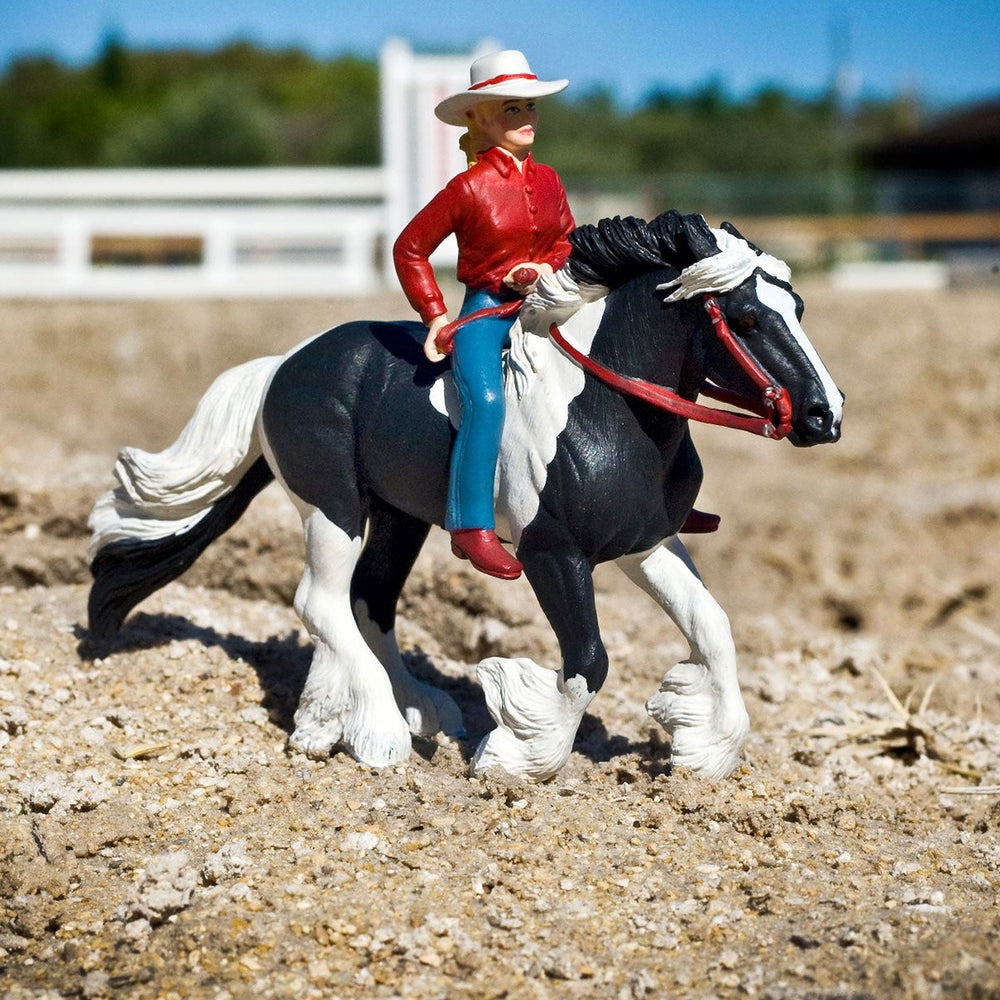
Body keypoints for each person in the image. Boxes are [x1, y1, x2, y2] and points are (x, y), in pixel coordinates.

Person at [393, 50, 574, 580]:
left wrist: (542, 269)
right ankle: (471, 524)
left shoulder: (549, 180)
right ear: (480, 118)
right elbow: (410, 249)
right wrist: (433, 313)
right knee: (487, 401)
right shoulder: (467, 190)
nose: (526, 120)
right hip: (488, 309)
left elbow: (566, 239)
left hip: (544, 301)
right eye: (512, 109)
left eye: (531, 108)